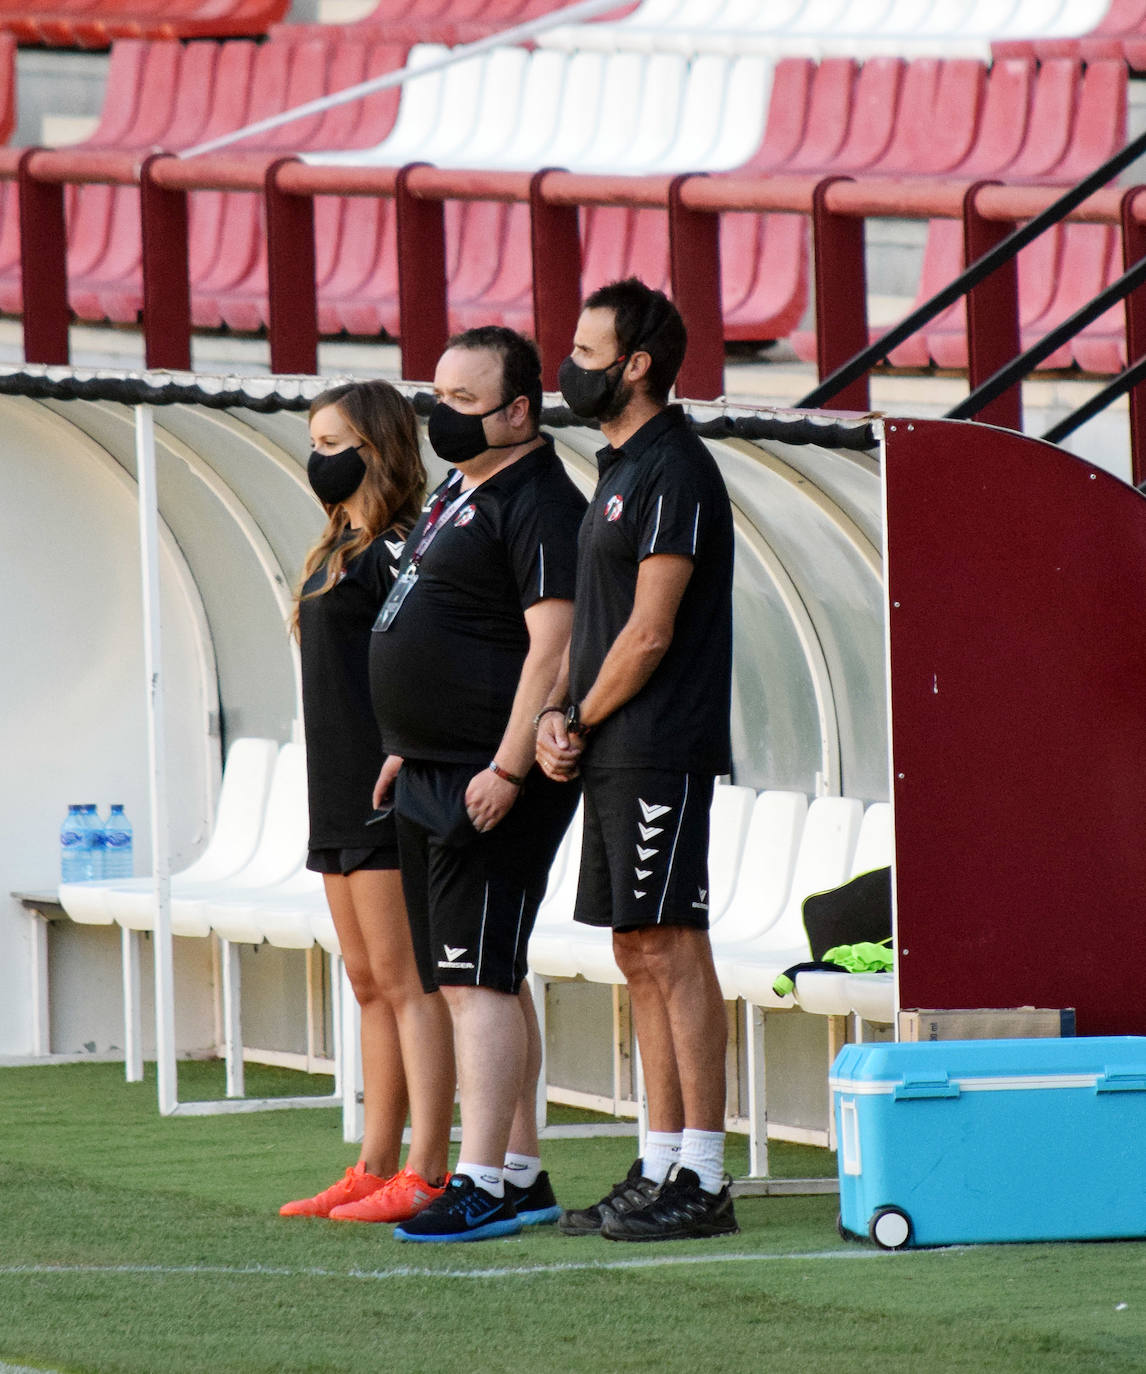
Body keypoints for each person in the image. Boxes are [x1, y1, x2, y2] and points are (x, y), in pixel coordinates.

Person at [370, 326, 586, 1242]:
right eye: (438, 396)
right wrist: (406, 742)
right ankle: (521, 1171)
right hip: (431, 769)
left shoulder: (538, 499)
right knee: (483, 974)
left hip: (486, 777)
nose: (440, 417)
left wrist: (504, 764)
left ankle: (485, 1178)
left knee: (476, 983)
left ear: (519, 411)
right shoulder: (465, 488)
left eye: (464, 402)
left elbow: (557, 645)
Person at [536, 278, 739, 1242]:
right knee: (633, 947)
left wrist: (575, 711)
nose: (568, 366)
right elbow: (602, 623)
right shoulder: (616, 469)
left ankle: (704, 1174)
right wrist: (556, 714)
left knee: (672, 944)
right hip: (613, 742)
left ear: (638, 363)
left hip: (661, 746)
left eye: (585, 350)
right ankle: (660, 1160)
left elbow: (651, 634)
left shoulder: (676, 470)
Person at [279, 381, 456, 1225]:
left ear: (378, 448)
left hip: (386, 792)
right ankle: (373, 1161)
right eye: (315, 441)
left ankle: (426, 1168)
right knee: (364, 981)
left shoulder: (402, 547)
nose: (322, 457)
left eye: (336, 441)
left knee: (406, 980)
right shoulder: (329, 551)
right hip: (333, 788)